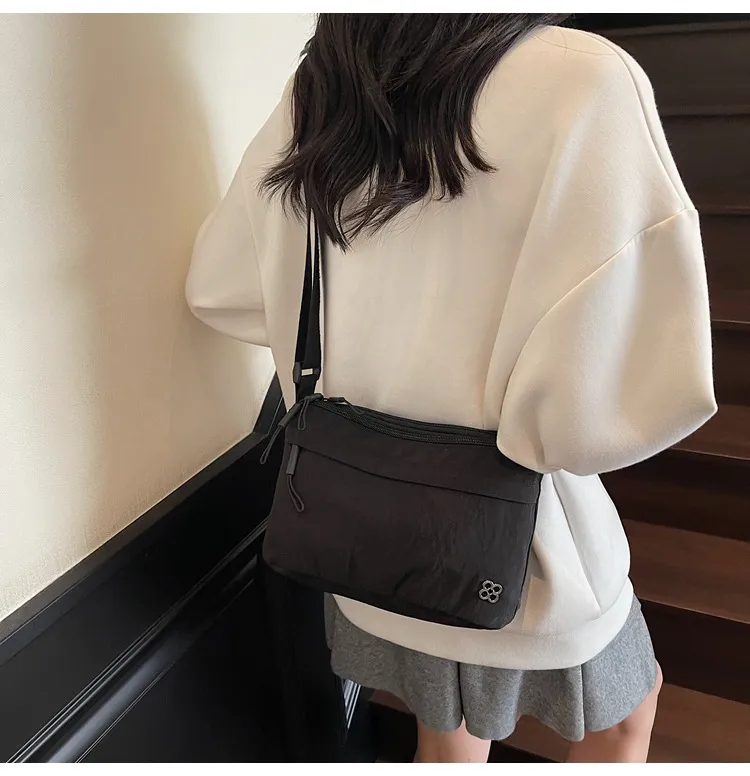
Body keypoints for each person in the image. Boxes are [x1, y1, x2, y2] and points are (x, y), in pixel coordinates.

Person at [185, 14, 716, 763]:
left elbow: (222, 289)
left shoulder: (323, 84)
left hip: (364, 538)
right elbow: (628, 399)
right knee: (627, 716)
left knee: (447, 738)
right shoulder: (586, 77)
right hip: (532, 551)